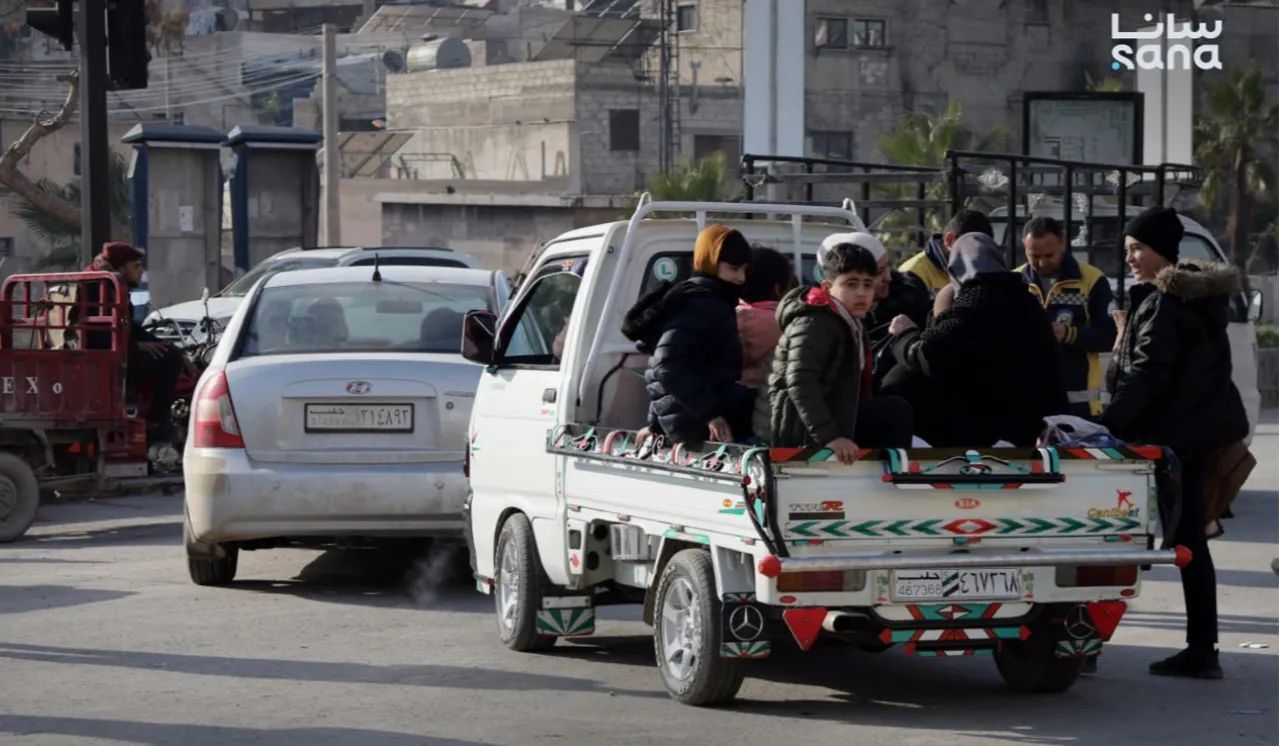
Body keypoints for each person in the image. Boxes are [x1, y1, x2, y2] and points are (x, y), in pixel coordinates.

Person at [1099, 206, 1248, 680]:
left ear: (1161, 250)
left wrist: (1106, 426)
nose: (1130, 258)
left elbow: (1148, 373)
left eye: (1137, 249)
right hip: (1197, 436)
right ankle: (1202, 648)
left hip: (1175, 441)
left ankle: (1200, 650)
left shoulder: (1165, 302)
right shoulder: (1194, 299)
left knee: (1138, 537)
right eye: (1126, 250)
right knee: (1187, 542)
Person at [881, 232, 1068, 447]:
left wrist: (905, 334)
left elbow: (928, 354)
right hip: (1034, 433)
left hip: (988, 436)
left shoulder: (974, 305)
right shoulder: (1028, 304)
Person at [753, 242, 913, 461]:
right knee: (895, 412)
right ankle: (894, 478)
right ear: (828, 288)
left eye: (867, 285)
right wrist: (832, 438)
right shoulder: (816, 321)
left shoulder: (847, 319)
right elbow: (800, 381)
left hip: (819, 416)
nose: (861, 293)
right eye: (851, 284)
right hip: (792, 428)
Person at [622, 223, 752, 444]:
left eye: (744, 269)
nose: (741, 277)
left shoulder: (697, 298)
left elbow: (662, 367)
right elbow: (667, 366)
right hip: (699, 424)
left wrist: (655, 424)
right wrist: (711, 415)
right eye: (733, 268)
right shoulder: (702, 302)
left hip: (692, 418)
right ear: (710, 263)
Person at [80, 242, 187, 443]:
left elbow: (130, 326)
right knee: (170, 360)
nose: (141, 271)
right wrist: (136, 345)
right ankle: (158, 423)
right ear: (121, 268)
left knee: (169, 352)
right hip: (106, 357)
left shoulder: (108, 283)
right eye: (136, 266)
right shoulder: (100, 287)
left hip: (114, 351)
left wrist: (163, 344)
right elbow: (97, 337)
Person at [1018, 216, 1116, 419]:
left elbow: (1110, 336)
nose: (1042, 263)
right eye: (1034, 256)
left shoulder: (1091, 279)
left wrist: (1069, 335)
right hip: (1027, 405)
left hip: (1079, 408)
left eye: (1049, 255)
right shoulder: (1014, 282)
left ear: (1062, 242)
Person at [736, 245, 795, 391]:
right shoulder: (790, 326)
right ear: (778, 288)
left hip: (725, 406)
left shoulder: (722, 318)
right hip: (772, 405)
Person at [899, 209, 995, 298]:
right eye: (969, 250)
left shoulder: (983, 271)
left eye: (983, 252)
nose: (975, 259)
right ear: (949, 240)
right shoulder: (913, 274)